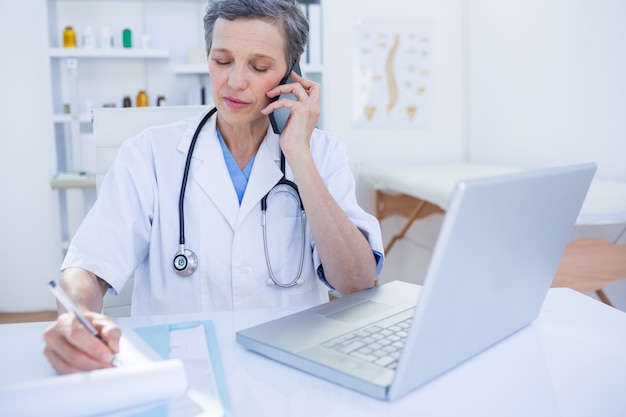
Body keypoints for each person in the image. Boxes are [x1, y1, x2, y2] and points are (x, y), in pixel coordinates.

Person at [43, 0, 384, 374]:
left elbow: (356, 281)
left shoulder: (321, 153)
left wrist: (299, 156)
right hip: (180, 371)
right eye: (222, 60)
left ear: (291, 74)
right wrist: (75, 319)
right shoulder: (149, 154)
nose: (235, 81)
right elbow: (87, 268)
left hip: (290, 372)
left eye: (259, 67)